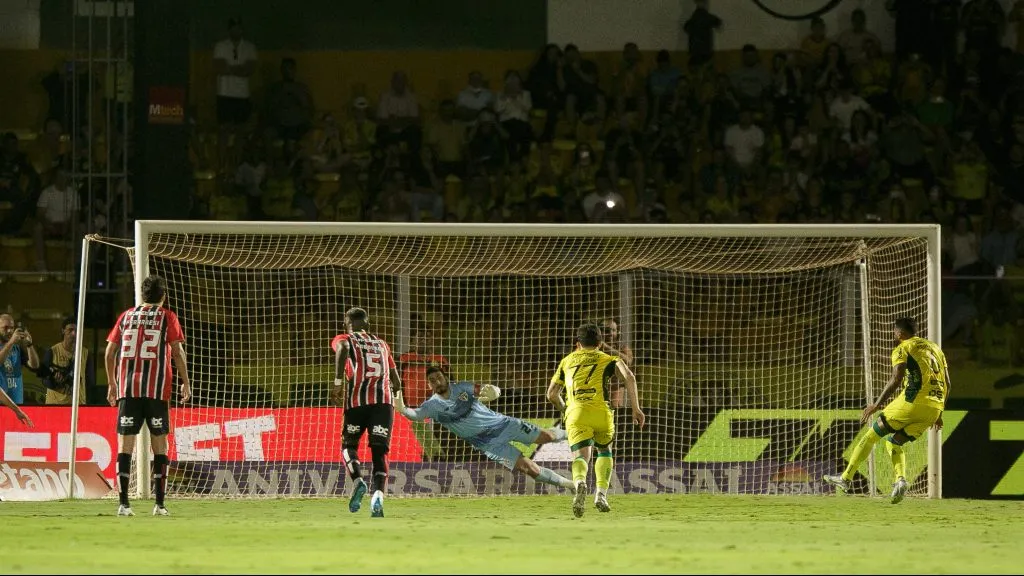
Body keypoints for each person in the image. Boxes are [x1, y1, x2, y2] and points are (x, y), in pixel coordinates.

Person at [824, 317, 948, 504]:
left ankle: (846, 478)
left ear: (899, 333)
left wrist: (877, 404)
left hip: (912, 402)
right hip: (934, 408)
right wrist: (939, 413)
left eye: (894, 332)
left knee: (871, 435)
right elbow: (948, 383)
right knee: (894, 442)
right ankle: (900, 481)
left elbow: (896, 378)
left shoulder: (902, 348)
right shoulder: (936, 348)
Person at [394, 366, 576, 493]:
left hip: (503, 425)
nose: (437, 381)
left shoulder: (462, 387)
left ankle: (578, 435)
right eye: (432, 380)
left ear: (445, 377)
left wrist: (494, 391)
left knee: (547, 436)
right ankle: (571, 485)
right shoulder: (431, 406)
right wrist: (402, 408)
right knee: (530, 469)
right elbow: (414, 414)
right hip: (489, 445)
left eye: (439, 377)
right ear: (429, 385)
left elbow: (484, 390)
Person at [105, 275, 192, 517]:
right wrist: (186, 382)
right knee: (160, 446)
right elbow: (177, 351)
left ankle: (123, 504)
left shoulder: (125, 316)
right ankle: (160, 505)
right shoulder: (167, 316)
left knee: (125, 446)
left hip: (128, 391)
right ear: (163, 296)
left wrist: (112, 383)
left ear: (142, 295)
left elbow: (109, 352)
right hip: (157, 391)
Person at [546, 323, 645, 517]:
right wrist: (636, 409)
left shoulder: (566, 361)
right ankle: (601, 494)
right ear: (600, 343)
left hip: (576, 413)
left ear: (577, 344)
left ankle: (580, 481)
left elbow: (551, 394)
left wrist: (564, 409)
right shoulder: (610, 358)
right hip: (602, 412)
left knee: (581, 456)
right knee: (605, 451)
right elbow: (630, 377)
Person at [330, 307, 403, 518]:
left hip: (357, 402)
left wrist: (337, 383)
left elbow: (343, 347)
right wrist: (398, 403)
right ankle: (378, 495)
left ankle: (358, 480)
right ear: (367, 323)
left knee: (349, 446)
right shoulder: (382, 344)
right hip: (383, 404)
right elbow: (397, 382)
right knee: (380, 452)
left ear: (347, 323)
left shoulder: (345, 338)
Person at [41, 316, 95, 405]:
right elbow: (44, 379)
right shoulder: (52, 351)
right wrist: (54, 380)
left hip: (78, 404)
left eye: (76, 330)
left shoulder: (86, 353)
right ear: (63, 331)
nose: (74, 333)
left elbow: (90, 381)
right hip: (55, 405)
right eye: (70, 330)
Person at [0, 314, 40, 406]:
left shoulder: (17, 348)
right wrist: (11, 342)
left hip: (17, 404)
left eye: (11, 327)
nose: (9, 331)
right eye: (5, 328)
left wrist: (29, 345)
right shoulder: (12, 344)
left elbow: (34, 366)